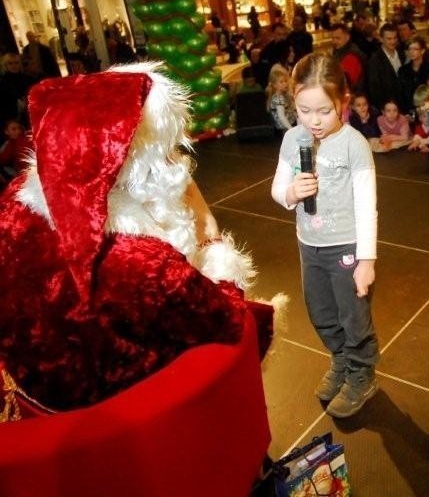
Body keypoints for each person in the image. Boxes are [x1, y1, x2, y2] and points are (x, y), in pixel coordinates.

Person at [0, 63, 276, 411]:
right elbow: (229, 322)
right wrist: (214, 245)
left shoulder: (13, 204)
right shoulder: (141, 261)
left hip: (38, 401)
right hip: (141, 414)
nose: (177, 161)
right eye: (169, 150)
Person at [270, 53, 379, 418]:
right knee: (320, 313)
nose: (314, 121)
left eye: (324, 111)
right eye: (304, 110)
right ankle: (341, 360)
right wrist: (291, 193)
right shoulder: (292, 139)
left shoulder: (354, 145)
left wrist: (366, 260)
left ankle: (362, 375)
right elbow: (278, 189)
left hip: (346, 248)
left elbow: (367, 204)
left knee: (353, 316)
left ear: (342, 103)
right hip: (309, 247)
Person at [367, 23, 404, 111]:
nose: (393, 41)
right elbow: (374, 89)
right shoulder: (375, 60)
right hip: (387, 109)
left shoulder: (402, 53)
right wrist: (383, 108)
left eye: (395, 38)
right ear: (381, 39)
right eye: (389, 39)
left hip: (403, 105)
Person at [398, 36, 429, 114]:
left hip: (427, 109)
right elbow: (400, 93)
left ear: (422, 51)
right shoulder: (403, 70)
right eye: (409, 49)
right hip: (409, 111)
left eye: (415, 49)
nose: (411, 52)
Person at [330, 23, 367, 93]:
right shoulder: (340, 50)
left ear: (347, 37)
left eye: (338, 38)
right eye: (333, 38)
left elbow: (346, 83)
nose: (334, 41)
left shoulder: (351, 55)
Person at [408, 85, 429, 153]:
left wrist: (422, 143)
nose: (428, 118)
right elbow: (417, 137)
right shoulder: (419, 127)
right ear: (420, 118)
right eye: (424, 116)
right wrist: (416, 142)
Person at [267, 67, 296, 133]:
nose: (285, 84)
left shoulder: (284, 95)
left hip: (290, 123)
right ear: (275, 85)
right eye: (281, 82)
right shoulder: (278, 99)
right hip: (285, 127)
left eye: (285, 81)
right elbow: (281, 116)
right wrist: (290, 129)